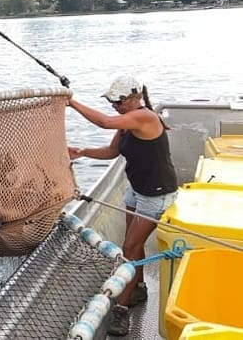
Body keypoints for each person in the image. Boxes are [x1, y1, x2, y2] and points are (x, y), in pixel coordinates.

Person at [67, 75, 177, 336]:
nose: (114, 106)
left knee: (129, 247)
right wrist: (81, 151)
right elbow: (111, 151)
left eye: (118, 100)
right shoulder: (127, 122)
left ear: (136, 97)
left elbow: (103, 122)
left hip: (156, 196)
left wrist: (72, 103)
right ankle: (138, 288)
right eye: (112, 101)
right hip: (136, 191)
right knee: (132, 246)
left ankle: (122, 310)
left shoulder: (145, 117)